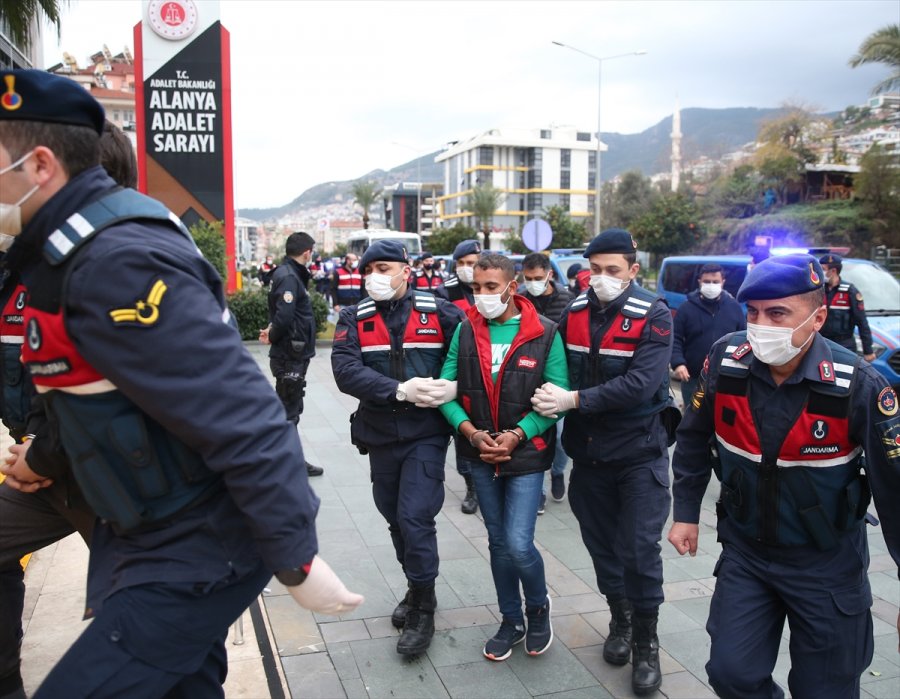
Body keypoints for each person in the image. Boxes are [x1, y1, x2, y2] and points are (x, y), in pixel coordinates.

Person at [0, 69, 362, 699]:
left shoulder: (116, 263)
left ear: (37, 165)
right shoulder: (66, 254)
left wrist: (295, 559)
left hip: (198, 544)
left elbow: (244, 417)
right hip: (149, 528)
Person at [667, 253, 900, 699]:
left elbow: (895, 487)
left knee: (825, 689)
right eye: (753, 313)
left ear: (818, 318)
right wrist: (685, 512)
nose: (760, 326)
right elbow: (694, 438)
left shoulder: (856, 385)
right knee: (731, 674)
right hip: (747, 554)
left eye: (777, 314)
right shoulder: (726, 360)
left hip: (827, 563)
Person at [0, 117, 135, 699]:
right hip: (48, 464)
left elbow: (111, 397)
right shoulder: (26, 267)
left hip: (118, 480)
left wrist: (42, 457)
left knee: (145, 619)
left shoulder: (119, 264)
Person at [531, 228, 676, 696]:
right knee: (602, 548)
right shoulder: (572, 313)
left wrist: (574, 399)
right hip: (589, 456)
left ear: (633, 270)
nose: (602, 278)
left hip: (639, 454)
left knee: (638, 548)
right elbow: (550, 369)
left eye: (612, 270)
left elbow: (641, 383)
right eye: (595, 270)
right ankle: (621, 619)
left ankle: (647, 642)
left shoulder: (655, 313)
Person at [331, 240, 464, 656]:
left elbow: (469, 354)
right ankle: (416, 584)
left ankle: (423, 608)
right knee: (394, 518)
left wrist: (454, 383)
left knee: (415, 516)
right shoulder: (354, 316)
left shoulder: (439, 309)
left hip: (426, 433)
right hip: (379, 432)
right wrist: (398, 390)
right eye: (369, 269)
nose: (375, 276)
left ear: (406, 270)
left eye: (384, 268)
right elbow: (345, 370)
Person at [438, 253, 567, 661]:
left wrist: (517, 435)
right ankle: (511, 620)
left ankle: (539, 607)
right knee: (496, 543)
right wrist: (473, 434)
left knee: (517, 542)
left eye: (490, 287)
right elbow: (446, 391)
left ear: (512, 287)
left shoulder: (544, 332)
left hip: (526, 456)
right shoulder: (464, 330)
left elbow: (557, 399)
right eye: (476, 288)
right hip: (480, 454)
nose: (481, 296)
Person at [259, 231, 323, 477]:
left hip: (292, 352)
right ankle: (286, 463)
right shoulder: (288, 276)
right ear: (307, 252)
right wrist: (274, 335)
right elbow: (284, 316)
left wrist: (272, 331)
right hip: (290, 353)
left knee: (290, 408)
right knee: (288, 411)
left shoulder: (288, 274)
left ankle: (287, 461)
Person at [517, 252, 573, 508]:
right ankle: (537, 490)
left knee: (561, 440)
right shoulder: (518, 299)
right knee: (532, 437)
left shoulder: (567, 301)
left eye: (538, 278)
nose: (532, 283)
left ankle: (558, 471)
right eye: (527, 278)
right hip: (525, 377)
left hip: (558, 379)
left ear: (550, 274)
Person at [435, 239, 481, 514]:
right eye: (461, 263)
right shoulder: (445, 292)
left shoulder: (492, 286)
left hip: (491, 367)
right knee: (462, 429)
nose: (466, 269)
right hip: (459, 368)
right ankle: (471, 485)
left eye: (471, 263)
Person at [670, 262, 745, 408]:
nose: (711, 285)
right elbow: (675, 338)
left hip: (726, 378)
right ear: (700, 282)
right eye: (707, 281)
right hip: (693, 378)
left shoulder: (734, 308)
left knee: (719, 421)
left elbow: (743, 339)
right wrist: (678, 363)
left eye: (715, 282)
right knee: (692, 418)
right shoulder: (686, 308)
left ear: (723, 282)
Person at [819, 253, 875, 362]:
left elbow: (862, 321)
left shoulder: (850, 291)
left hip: (844, 344)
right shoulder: (818, 290)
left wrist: (868, 350)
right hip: (821, 343)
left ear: (833, 271)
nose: (821, 273)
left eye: (823, 269)